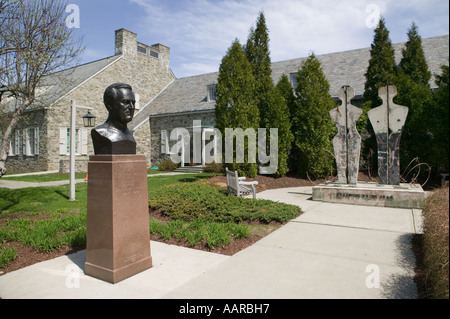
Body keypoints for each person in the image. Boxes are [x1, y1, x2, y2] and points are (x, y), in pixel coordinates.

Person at [92, 83, 137, 155]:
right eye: (126, 102)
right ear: (109, 104)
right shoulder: (101, 132)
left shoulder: (130, 134)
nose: (131, 107)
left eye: (133, 103)